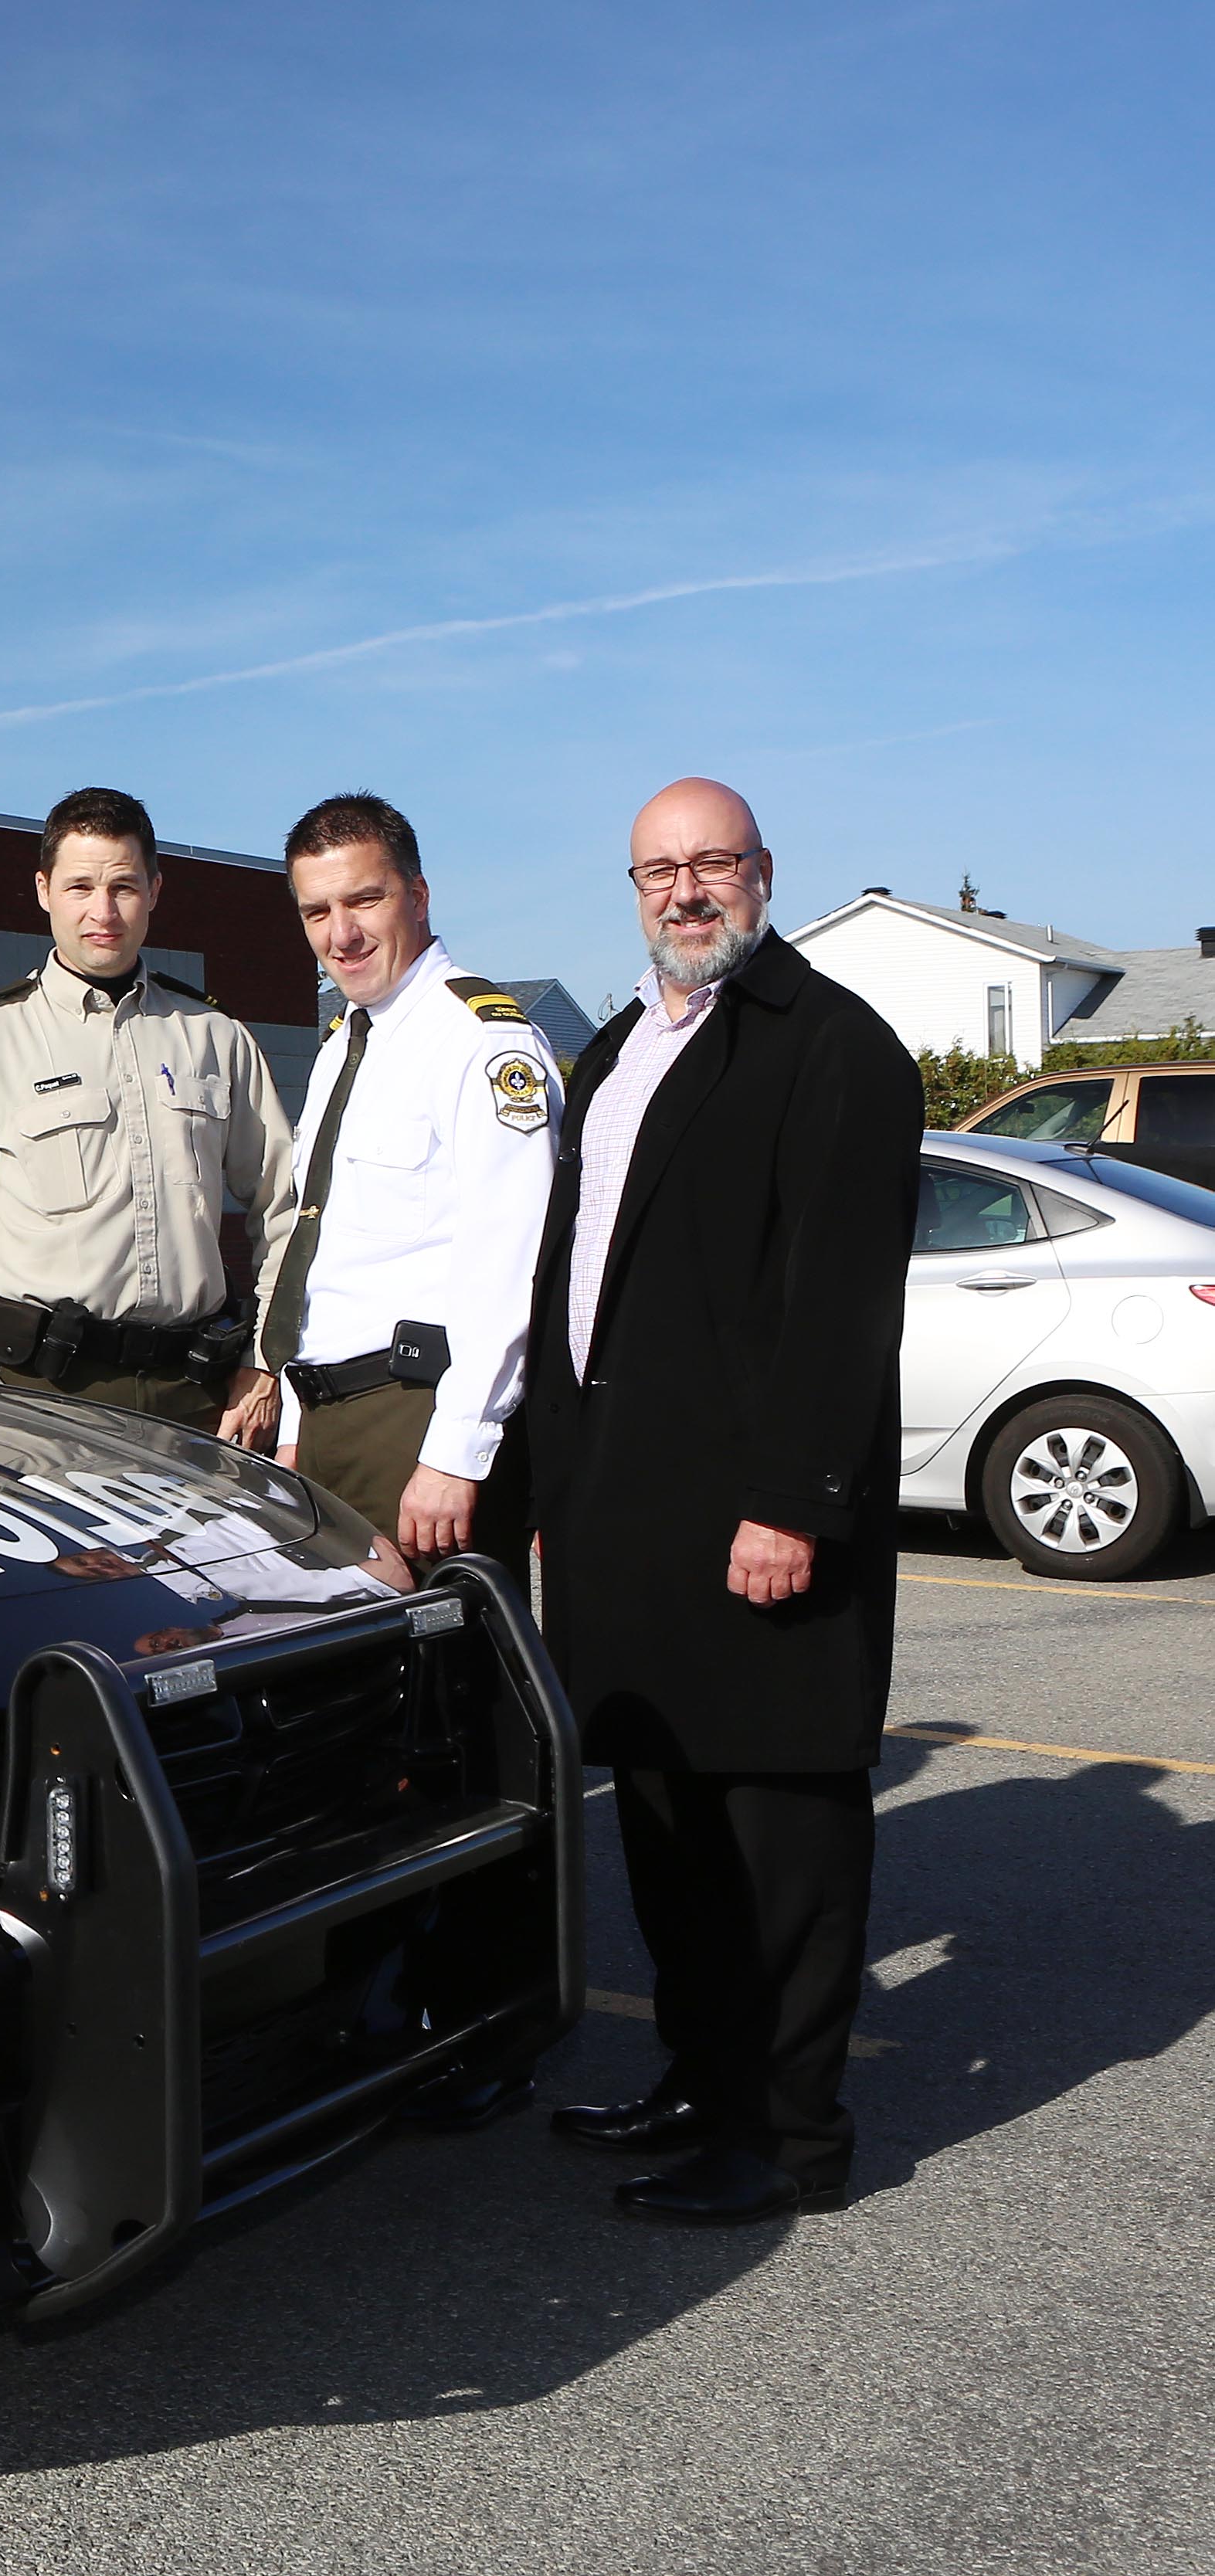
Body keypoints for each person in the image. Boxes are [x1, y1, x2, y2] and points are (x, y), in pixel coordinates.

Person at [528, 776, 920, 2225]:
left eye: (711, 864)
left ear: (761, 871)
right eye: (656, 871)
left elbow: (834, 1309)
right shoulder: (623, 1044)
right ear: (629, 888)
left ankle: (788, 2137)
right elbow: (578, 1282)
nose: (683, 891)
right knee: (668, 1828)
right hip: (626, 1521)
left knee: (780, 1843)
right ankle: (698, 2082)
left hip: (753, 1526)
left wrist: (791, 1506)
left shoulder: (833, 1050)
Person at [0, 786, 297, 1441]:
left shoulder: (214, 1036)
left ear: (155, 891)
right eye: (79, 886)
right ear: (42, 890)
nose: (102, 912)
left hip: (194, 1397)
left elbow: (286, 1207)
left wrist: (262, 1362)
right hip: (38, 1398)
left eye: (123, 886)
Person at [259, 794, 555, 1566]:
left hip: (415, 1420)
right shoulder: (342, 1047)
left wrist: (456, 1452)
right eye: (316, 910)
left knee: (446, 1677)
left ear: (417, 896)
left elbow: (509, 1262)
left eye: (364, 899)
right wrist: (296, 1430)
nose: (340, 933)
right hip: (331, 1421)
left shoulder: (480, 1042)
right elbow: (321, 1261)